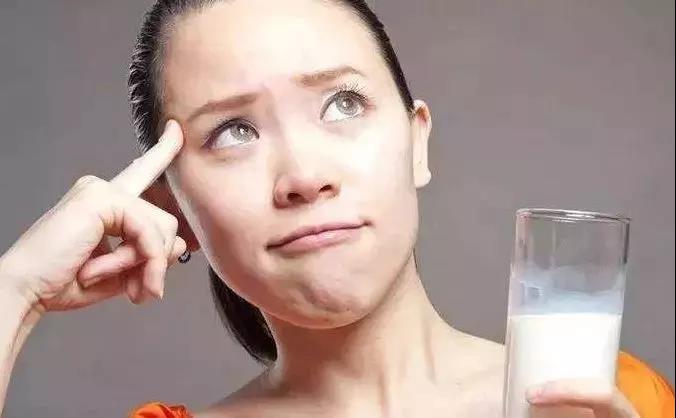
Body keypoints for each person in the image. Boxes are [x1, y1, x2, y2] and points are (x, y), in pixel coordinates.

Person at [0, 1, 673, 417]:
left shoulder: (603, 400)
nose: (304, 177)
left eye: (342, 103)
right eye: (232, 131)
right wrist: (15, 291)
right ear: (173, 208)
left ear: (417, 142)